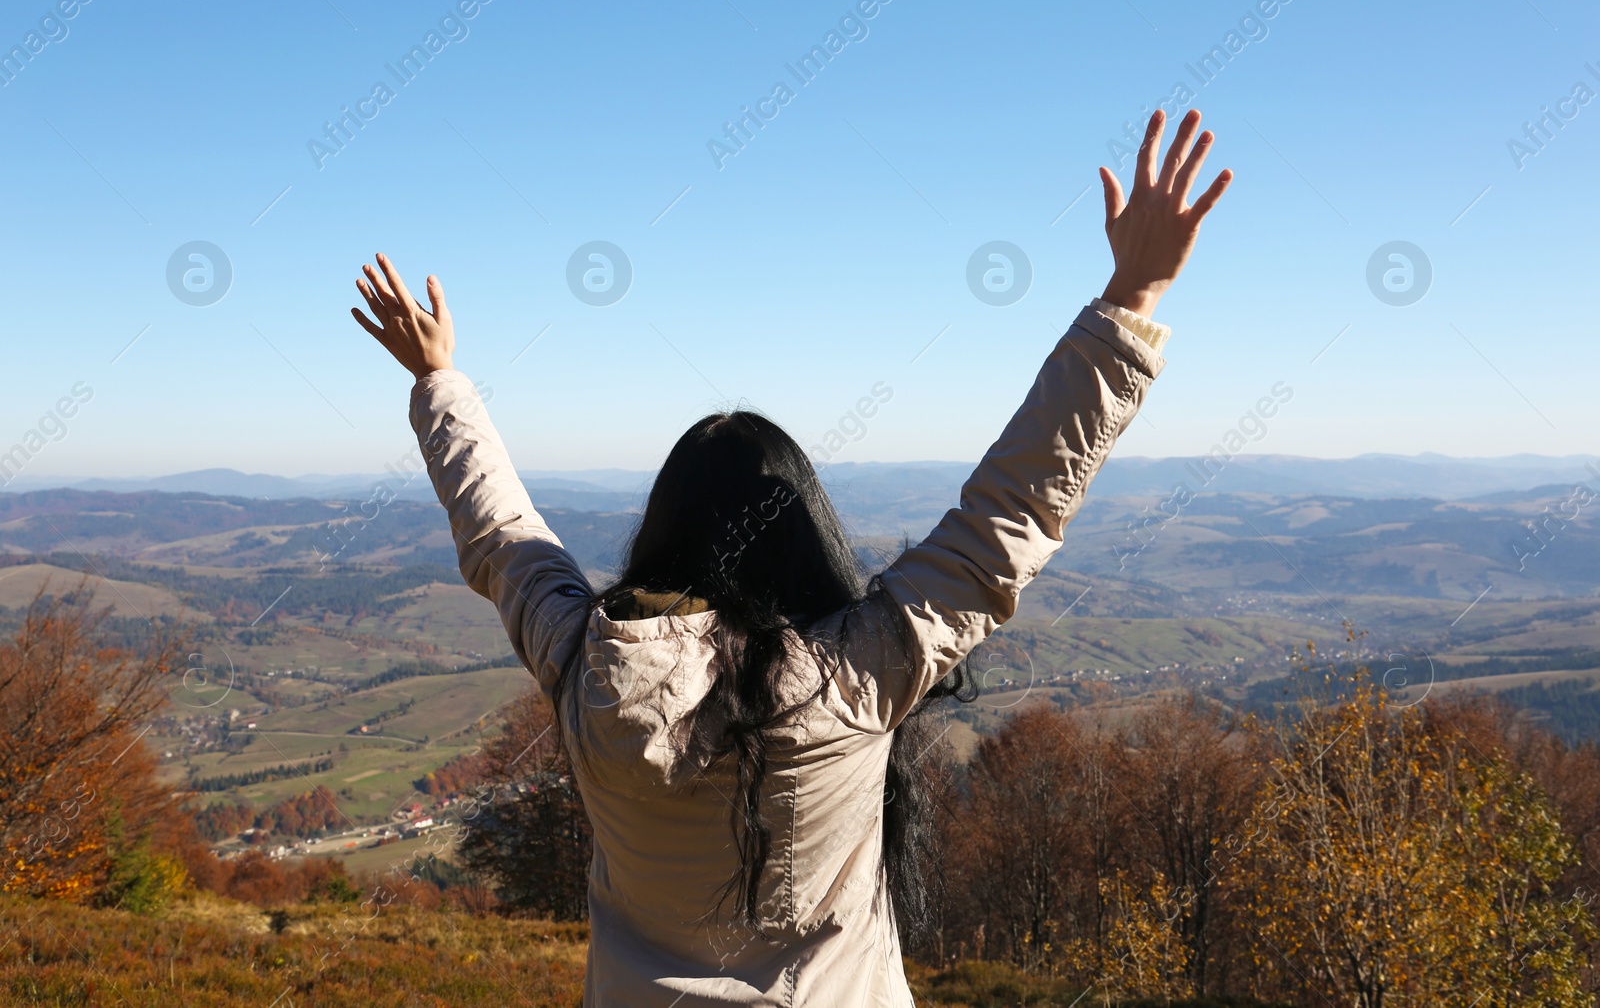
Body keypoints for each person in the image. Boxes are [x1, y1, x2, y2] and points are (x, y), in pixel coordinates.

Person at [350, 107, 1230, 1007]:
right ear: (807, 533)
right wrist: (1131, 300)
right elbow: (1008, 515)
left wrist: (437, 379)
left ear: (662, 528)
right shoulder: (855, 672)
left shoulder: (586, 669)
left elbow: (501, 536)